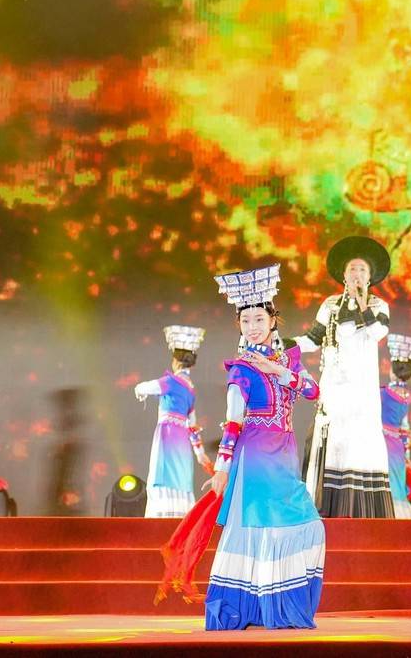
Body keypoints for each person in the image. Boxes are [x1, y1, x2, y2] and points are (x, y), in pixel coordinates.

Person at [207, 264, 324, 629]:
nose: (253, 326)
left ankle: (275, 605)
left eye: (259, 318)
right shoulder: (240, 369)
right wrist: (222, 469)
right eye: (246, 321)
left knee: (308, 525)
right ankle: (254, 608)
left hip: (285, 452)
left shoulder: (289, 359)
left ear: (273, 320)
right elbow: (233, 422)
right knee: (262, 527)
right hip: (256, 454)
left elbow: (314, 392)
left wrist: (279, 372)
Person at [298, 235, 394, 517]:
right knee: (333, 437)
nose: (357, 274)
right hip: (334, 387)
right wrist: (278, 343)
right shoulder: (329, 305)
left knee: (358, 440)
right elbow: (312, 339)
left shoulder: (378, 306)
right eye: (353, 269)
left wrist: (362, 304)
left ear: (370, 277)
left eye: (363, 270)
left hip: (361, 390)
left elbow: (377, 333)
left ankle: (361, 512)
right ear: (343, 274)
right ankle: (326, 508)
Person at [134, 325, 213, 518]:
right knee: (180, 477)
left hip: (168, 435)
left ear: (175, 361)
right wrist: (201, 454)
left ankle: (161, 518)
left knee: (163, 474)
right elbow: (192, 426)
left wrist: (140, 392)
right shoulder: (190, 390)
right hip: (182, 440)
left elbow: (142, 388)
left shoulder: (169, 382)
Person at [381, 333, 411, 519]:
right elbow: (405, 430)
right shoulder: (405, 395)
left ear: (392, 369)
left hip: (383, 444)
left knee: (387, 486)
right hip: (397, 446)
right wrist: (406, 454)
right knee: (397, 486)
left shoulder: (384, 394)